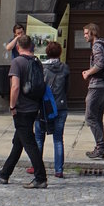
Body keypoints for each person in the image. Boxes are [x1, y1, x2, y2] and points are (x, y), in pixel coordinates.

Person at [0, 33, 48, 188]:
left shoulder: (17, 62)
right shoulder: (37, 62)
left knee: (29, 143)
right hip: (34, 106)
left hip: (21, 108)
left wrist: (12, 106)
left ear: (18, 47)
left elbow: (15, 86)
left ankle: (41, 177)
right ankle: (4, 174)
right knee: (18, 142)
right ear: (31, 46)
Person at [29, 41, 70, 178]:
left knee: (39, 138)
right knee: (58, 139)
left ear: (46, 53)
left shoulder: (41, 68)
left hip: (44, 107)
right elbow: (66, 88)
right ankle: (58, 170)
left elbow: (38, 87)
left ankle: (37, 167)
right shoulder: (65, 68)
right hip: (60, 106)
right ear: (60, 53)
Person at [81, 22, 104, 159]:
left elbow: (100, 63)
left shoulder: (97, 46)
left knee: (90, 117)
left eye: (86, 33)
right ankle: (100, 147)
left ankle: (101, 146)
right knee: (97, 117)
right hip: (103, 85)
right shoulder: (103, 44)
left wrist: (88, 72)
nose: (85, 36)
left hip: (97, 85)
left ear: (93, 33)